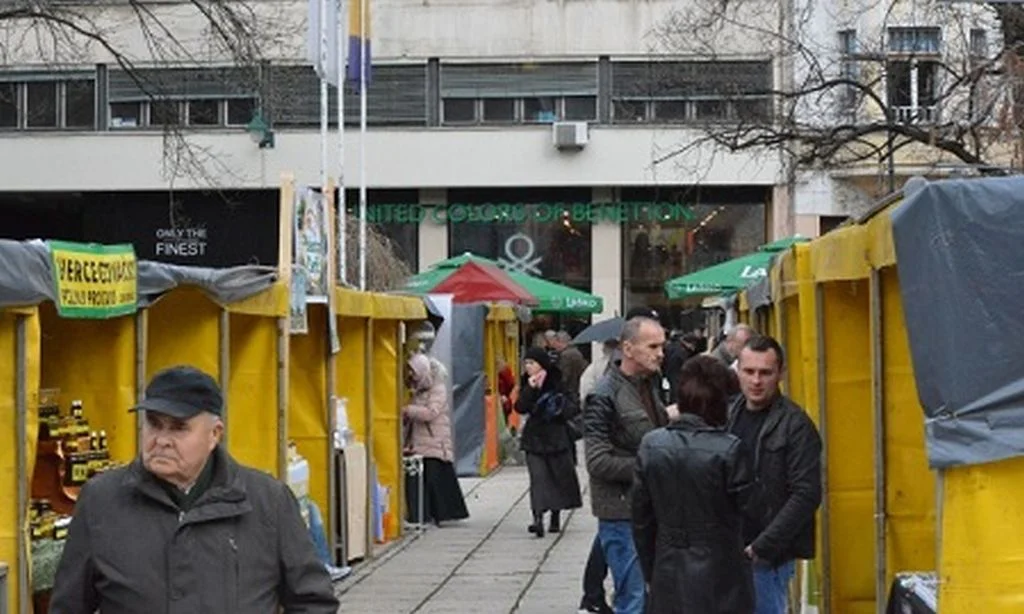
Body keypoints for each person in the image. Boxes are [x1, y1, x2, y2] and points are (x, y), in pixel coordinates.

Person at [49, 366, 339, 614]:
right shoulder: (102, 500)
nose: (161, 440)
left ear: (214, 435)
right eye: (153, 424)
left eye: (178, 428)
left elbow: (313, 602)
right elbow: (69, 605)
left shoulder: (267, 501)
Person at [632, 356, 760, 613]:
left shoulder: (651, 445)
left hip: (668, 567)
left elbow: (641, 520)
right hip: (722, 571)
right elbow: (753, 514)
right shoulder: (730, 450)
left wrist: (651, 571)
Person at [729, 335, 822, 614]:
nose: (756, 381)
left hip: (766, 558)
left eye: (765, 373)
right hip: (730, 550)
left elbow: (806, 494)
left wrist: (762, 547)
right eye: (749, 371)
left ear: (780, 374)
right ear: (738, 372)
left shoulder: (795, 425)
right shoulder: (730, 412)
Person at [584, 316, 669, 614]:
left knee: (647, 598)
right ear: (628, 349)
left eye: (662, 345)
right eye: (653, 346)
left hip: (648, 509)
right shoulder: (604, 395)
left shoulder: (647, 385)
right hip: (621, 512)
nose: (660, 353)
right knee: (632, 599)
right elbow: (597, 461)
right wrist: (650, 467)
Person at [515, 347, 583, 537]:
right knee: (538, 479)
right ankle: (537, 519)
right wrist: (530, 389)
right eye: (526, 363)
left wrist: (557, 406)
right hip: (534, 438)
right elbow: (520, 407)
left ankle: (555, 515)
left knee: (557, 477)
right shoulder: (527, 382)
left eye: (532, 363)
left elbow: (572, 405)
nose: (528, 367)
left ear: (542, 364)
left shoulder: (556, 380)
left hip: (557, 437)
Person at [403, 352, 470, 525]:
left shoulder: (437, 389)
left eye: (414, 371)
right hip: (422, 441)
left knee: (434, 478)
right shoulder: (417, 389)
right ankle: (429, 514)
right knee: (428, 480)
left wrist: (409, 410)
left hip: (434, 441)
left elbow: (431, 413)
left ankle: (441, 513)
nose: (411, 375)